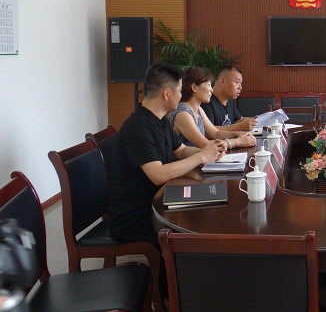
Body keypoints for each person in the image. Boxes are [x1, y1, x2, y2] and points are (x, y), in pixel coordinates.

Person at [107, 62, 225, 245]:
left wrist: (211, 152)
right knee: (201, 227)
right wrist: (202, 156)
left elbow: (181, 150)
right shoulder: (137, 127)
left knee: (212, 208)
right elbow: (158, 175)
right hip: (135, 217)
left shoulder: (161, 121)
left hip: (160, 201)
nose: (182, 95)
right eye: (179, 91)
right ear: (167, 93)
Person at [168, 66, 256, 150]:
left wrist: (238, 134)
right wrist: (237, 142)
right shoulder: (183, 114)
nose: (212, 89)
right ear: (194, 87)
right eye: (209, 85)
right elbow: (204, 145)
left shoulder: (198, 109)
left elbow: (215, 133)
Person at [202, 66, 258, 136]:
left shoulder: (230, 100)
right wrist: (238, 127)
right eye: (237, 82)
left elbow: (239, 120)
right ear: (222, 81)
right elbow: (209, 131)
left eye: (240, 83)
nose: (240, 87)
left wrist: (257, 120)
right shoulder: (206, 102)